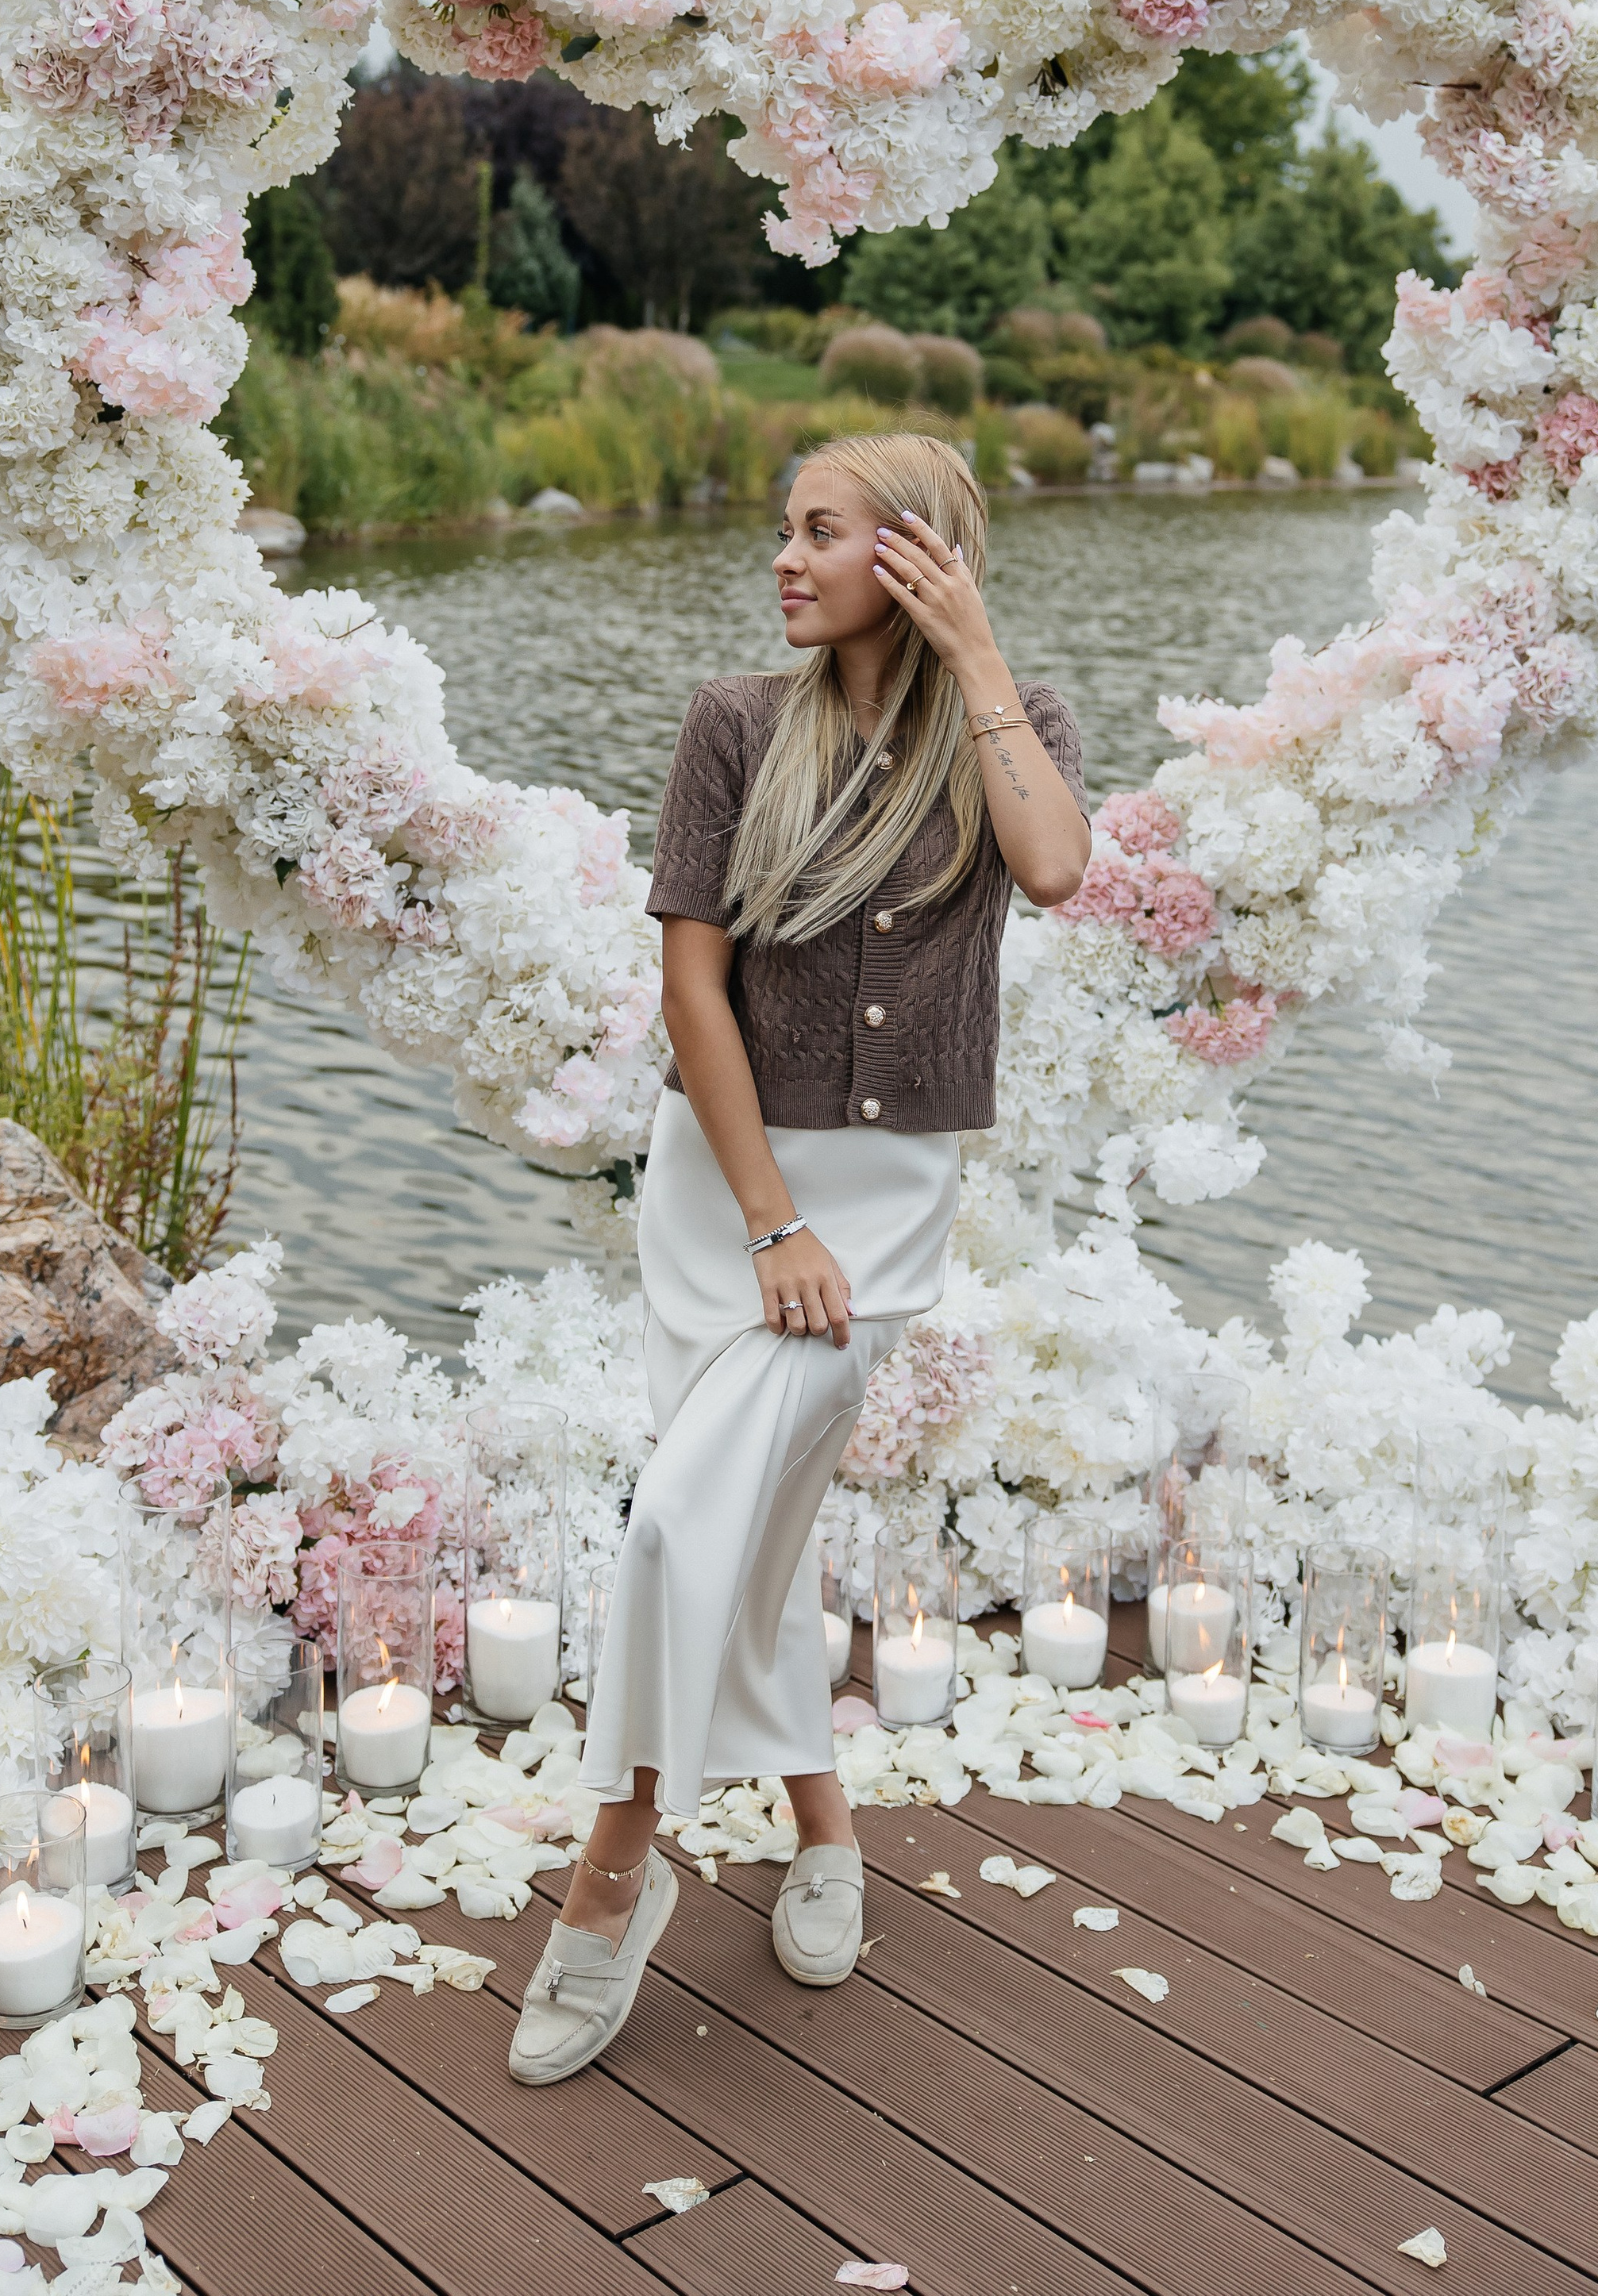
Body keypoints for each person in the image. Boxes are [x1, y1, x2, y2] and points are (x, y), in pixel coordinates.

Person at [507, 429, 1091, 2084]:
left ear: (908, 555)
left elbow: (1052, 867)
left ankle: (609, 1878)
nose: (782, 557)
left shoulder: (1014, 724)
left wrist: (971, 647)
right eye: (784, 529)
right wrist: (766, 1220)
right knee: (741, 1520)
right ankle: (821, 1824)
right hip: (729, 1195)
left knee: (681, 1524)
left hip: (885, 1202)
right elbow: (690, 993)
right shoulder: (731, 725)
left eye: (818, 533)